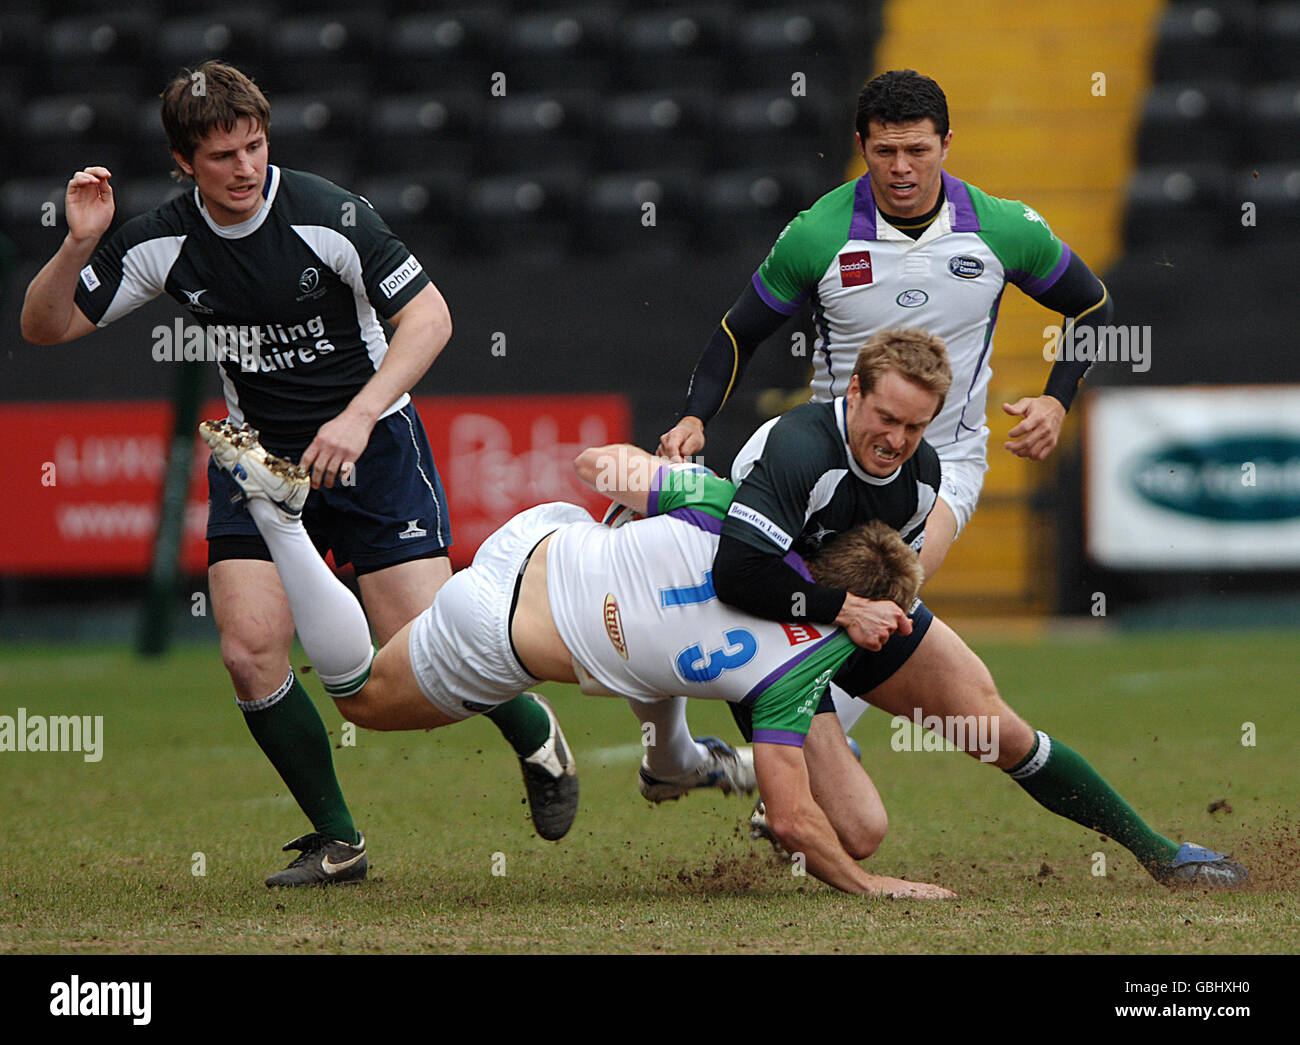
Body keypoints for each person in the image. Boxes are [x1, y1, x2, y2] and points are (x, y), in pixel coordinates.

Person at [19, 60, 576, 886]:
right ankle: (338, 839)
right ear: (183, 163)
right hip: (262, 461)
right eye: (222, 156)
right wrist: (77, 244)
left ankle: (532, 727)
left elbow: (430, 316)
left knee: (423, 649)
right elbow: (45, 326)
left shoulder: (327, 214)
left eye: (254, 145)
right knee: (247, 650)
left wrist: (356, 415)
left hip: (374, 448)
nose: (245, 167)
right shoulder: (163, 240)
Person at [197, 416, 955, 899]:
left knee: (652, 643)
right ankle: (282, 520)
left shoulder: (731, 506)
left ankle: (677, 761)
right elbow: (793, 821)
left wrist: (658, 471)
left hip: (539, 540)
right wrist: (870, 884)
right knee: (360, 696)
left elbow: (596, 466)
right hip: (500, 634)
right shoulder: (792, 670)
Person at [684, 330, 1247, 888]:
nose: (896, 440)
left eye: (915, 426)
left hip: (844, 610)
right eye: (886, 417)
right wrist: (845, 611)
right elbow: (736, 576)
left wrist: (863, 613)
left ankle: (1164, 855)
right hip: (761, 624)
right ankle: (736, 763)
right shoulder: (798, 449)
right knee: (861, 833)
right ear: (853, 391)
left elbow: (878, 574)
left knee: (998, 730)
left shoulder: (923, 475)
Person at [659, 67, 1113, 581]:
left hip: (945, 462)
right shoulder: (817, 235)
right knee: (777, 596)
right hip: (828, 453)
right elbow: (740, 333)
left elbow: (1095, 306)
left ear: (946, 144)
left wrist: (1056, 399)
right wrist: (695, 417)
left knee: (886, 595)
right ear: (861, 145)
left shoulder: (1004, 230)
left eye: (917, 150)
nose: (901, 168)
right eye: (885, 151)